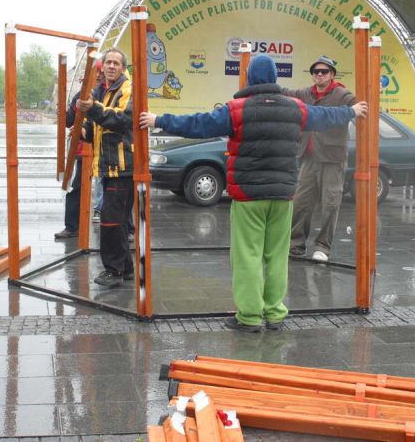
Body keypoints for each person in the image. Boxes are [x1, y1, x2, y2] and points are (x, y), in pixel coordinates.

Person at [139, 55, 367, 332]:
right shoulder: (296, 108)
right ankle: (275, 313)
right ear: (274, 78)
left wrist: (159, 119)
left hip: (249, 196)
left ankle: (249, 317)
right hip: (282, 196)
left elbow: (198, 124)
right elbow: (327, 117)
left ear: (250, 78)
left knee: (248, 256)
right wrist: (351, 111)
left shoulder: (237, 109)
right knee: (277, 256)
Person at [283, 55, 356, 262]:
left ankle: (323, 247)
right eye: (316, 71)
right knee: (301, 203)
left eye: (324, 71)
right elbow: (285, 93)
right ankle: (295, 245)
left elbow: (360, 107)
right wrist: (262, 86)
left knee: (330, 204)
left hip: (333, 159)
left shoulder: (342, 95)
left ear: (332, 74)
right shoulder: (306, 93)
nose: (320, 75)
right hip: (309, 158)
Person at [76, 48, 135, 287]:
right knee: (116, 221)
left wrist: (93, 109)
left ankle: (113, 270)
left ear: (123, 68)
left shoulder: (128, 88)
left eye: (115, 63)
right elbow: (97, 127)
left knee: (111, 220)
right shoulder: (101, 91)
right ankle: (125, 268)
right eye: (108, 62)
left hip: (123, 166)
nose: (111, 66)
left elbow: (122, 120)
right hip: (108, 166)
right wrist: (83, 129)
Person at [55, 90, 85, 239]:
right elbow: (70, 121)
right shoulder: (80, 95)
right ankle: (71, 227)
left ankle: (128, 229)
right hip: (83, 150)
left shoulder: (112, 92)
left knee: (115, 190)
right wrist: (63, 114)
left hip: (106, 151)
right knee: (76, 189)